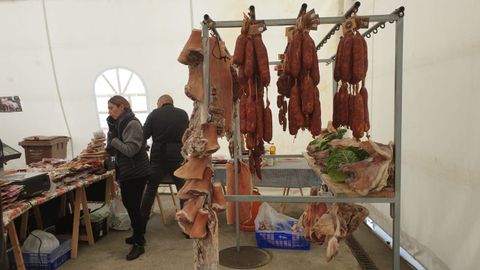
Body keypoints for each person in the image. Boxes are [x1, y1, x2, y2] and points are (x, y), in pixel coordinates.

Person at [106, 95, 151, 261]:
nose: (109, 111)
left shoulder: (132, 124)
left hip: (136, 172)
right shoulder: (120, 123)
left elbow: (131, 150)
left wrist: (114, 140)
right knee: (130, 205)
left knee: (132, 207)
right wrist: (111, 140)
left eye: (111, 108)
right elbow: (114, 147)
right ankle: (138, 235)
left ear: (122, 106)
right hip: (128, 171)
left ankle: (139, 243)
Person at [141, 94, 189, 230]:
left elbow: (144, 134)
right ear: (171, 103)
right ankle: (186, 225)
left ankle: (142, 225)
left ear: (161, 103)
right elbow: (188, 134)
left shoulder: (154, 114)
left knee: (150, 189)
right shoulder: (182, 114)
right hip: (178, 155)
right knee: (182, 190)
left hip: (159, 156)